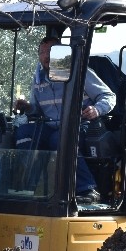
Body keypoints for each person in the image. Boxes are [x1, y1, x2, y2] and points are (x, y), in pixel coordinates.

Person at [14, 36, 116, 204]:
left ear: (62, 53)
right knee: (24, 133)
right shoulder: (38, 78)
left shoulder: (79, 72)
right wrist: (26, 107)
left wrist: (97, 109)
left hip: (81, 126)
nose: (45, 56)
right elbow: (37, 110)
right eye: (42, 52)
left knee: (59, 138)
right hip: (51, 126)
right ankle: (30, 187)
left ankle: (88, 189)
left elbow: (109, 96)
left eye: (51, 52)